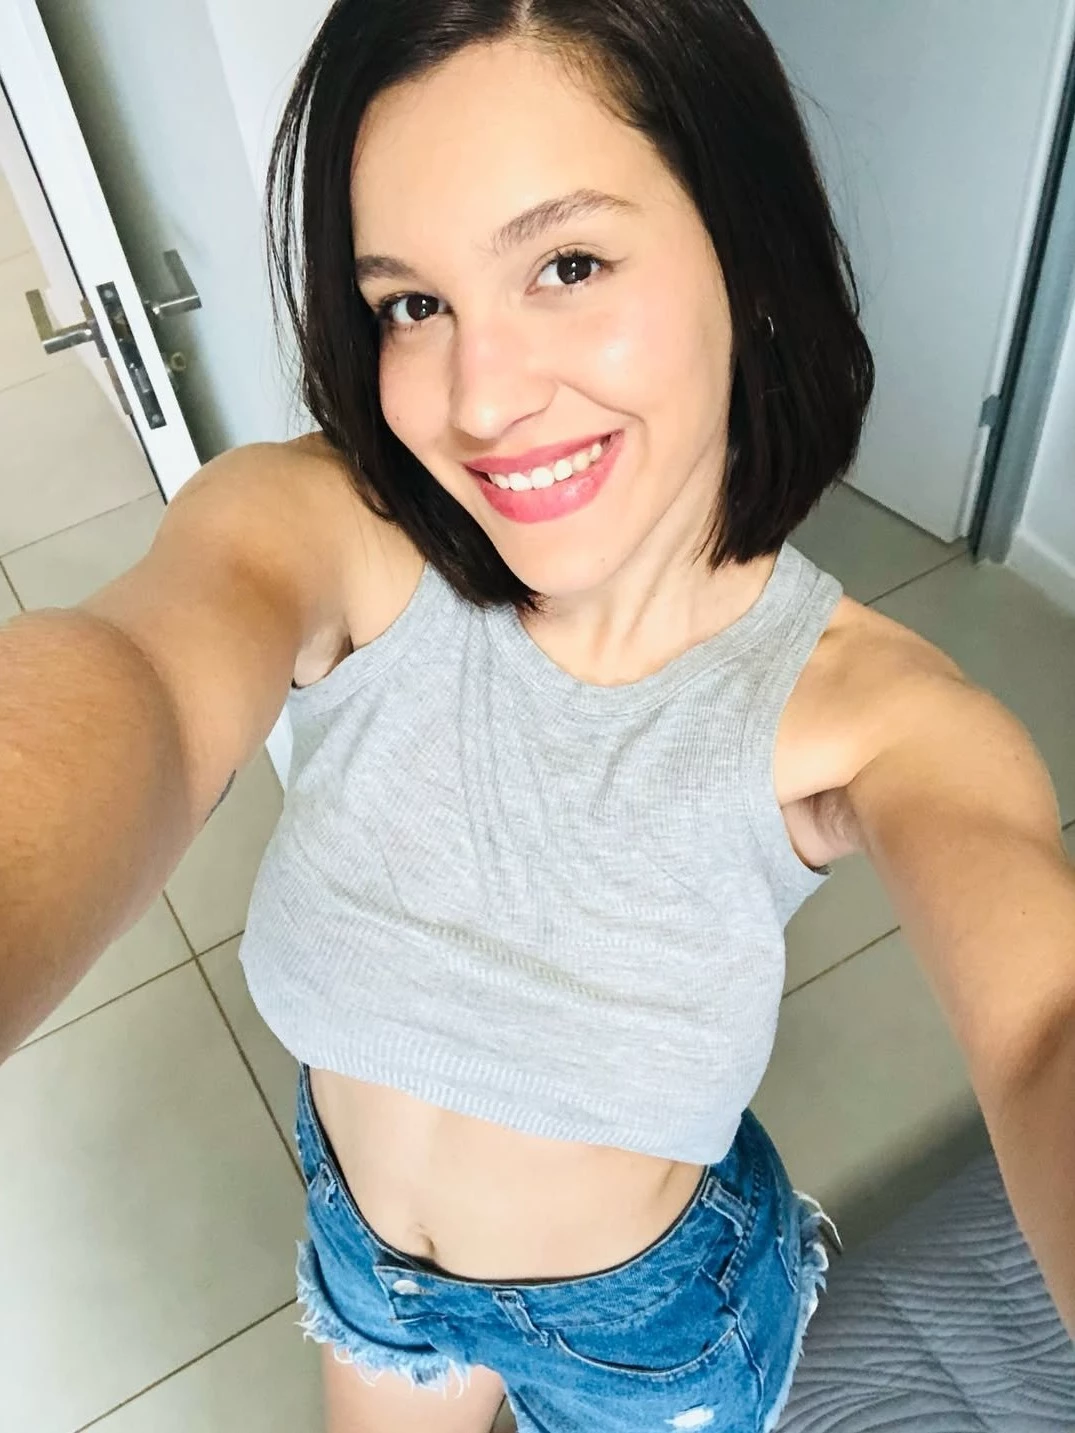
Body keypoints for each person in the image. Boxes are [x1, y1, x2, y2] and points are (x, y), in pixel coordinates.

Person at [2, 1, 1073, 1429]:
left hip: (649, 1327)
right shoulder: (325, 531)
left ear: (746, 256)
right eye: (413, 304)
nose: (481, 400)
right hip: (372, 1270)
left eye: (567, 265)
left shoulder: (874, 716)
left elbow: (1043, 1030)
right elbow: (130, 677)